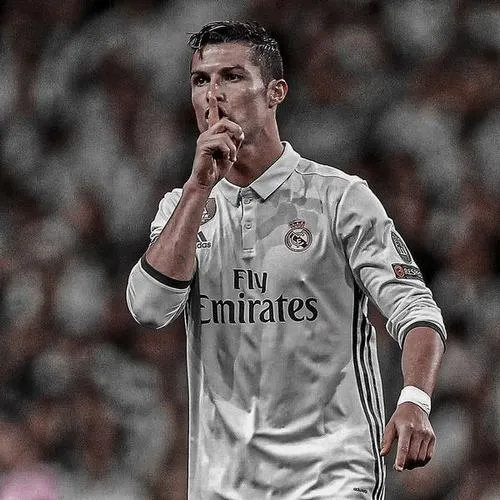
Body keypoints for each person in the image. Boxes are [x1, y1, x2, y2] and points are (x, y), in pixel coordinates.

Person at [126, 20, 446, 499]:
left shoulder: (340, 198)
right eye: (200, 80)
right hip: (225, 484)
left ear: (275, 92)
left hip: (332, 477)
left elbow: (417, 311)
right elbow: (149, 309)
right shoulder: (182, 208)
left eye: (232, 76)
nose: (213, 94)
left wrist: (415, 399)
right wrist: (198, 188)